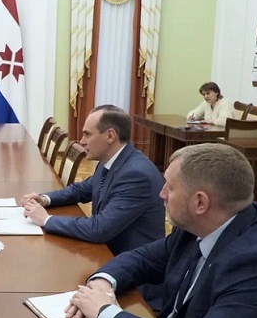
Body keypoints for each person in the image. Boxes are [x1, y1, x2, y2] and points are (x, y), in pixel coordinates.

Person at [66, 143, 257, 318]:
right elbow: (144, 258)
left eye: (170, 187)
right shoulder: (204, 223)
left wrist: (104, 312)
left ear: (200, 203)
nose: (161, 194)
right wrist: (103, 283)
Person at [21, 105, 165, 256]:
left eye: (87, 135)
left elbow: (100, 229)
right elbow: (81, 190)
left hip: (130, 261)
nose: (82, 141)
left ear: (110, 136)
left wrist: (46, 220)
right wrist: (45, 199)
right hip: (106, 250)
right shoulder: (110, 160)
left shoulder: (136, 175)